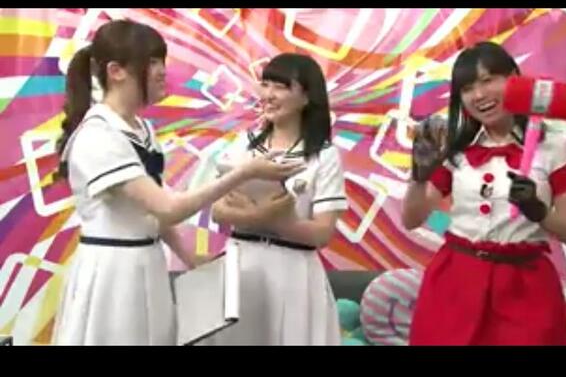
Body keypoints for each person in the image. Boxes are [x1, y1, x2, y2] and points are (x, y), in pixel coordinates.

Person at [51, 20, 304, 345]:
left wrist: (189, 257)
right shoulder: (98, 136)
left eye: (161, 61)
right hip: (113, 275)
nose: (162, 71)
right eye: (152, 61)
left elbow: (154, 213)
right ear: (116, 71)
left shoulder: (141, 130)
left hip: (147, 264)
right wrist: (244, 172)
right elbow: (168, 208)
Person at [402, 41, 566, 345]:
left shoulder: (557, 148)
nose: (479, 95)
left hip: (525, 287)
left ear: (514, 78)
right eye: (467, 88)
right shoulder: (455, 149)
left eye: (488, 80)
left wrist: (538, 211)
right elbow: (412, 219)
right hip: (455, 283)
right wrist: (418, 177)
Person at [206, 53, 348, 345]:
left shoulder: (323, 155)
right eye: (265, 84)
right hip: (241, 266)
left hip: (294, 273)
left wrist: (275, 220)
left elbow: (322, 233)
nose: (268, 95)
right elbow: (218, 211)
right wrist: (261, 216)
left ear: (306, 96)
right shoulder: (243, 145)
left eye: (280, 87)